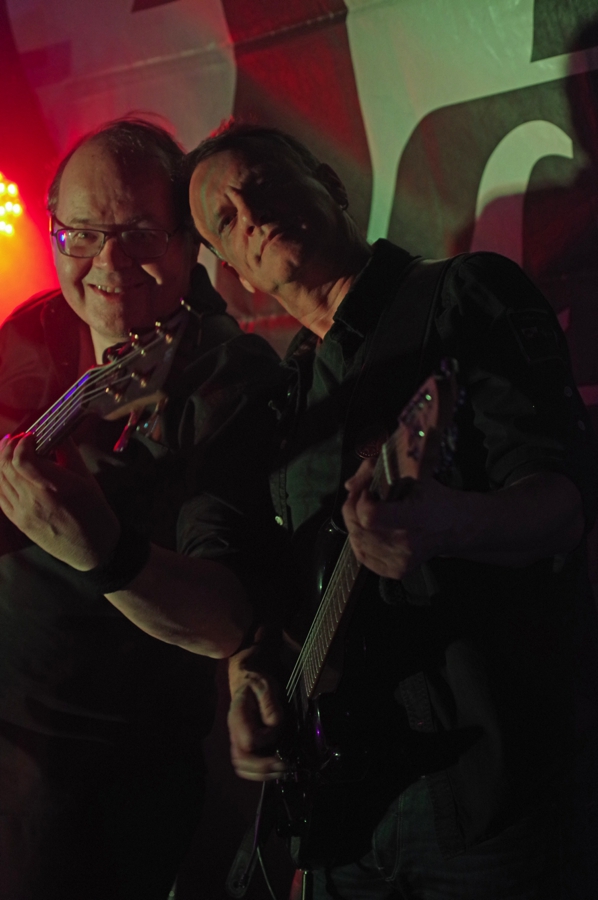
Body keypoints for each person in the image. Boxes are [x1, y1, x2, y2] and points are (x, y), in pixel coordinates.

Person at [186, 122, 598, 899]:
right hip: (347, 815)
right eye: (226, 219)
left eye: (264, 184)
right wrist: (249, 681)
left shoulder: (461, 295)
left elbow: (564, 503)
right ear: (236, 274)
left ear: (330, 184)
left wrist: (451, 523)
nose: (253, 213)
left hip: (490, 788)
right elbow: (283, 601)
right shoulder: (289, 400)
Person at [0, 118, 282, 900]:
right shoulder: (32, 329)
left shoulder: (229, 378)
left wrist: (104, 550)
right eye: (83, 235)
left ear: (190, 245)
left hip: (94, 784)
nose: (108, 263)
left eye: (138, 234)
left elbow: (226, 620)